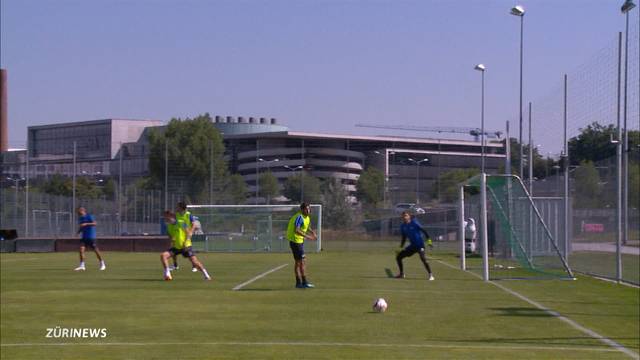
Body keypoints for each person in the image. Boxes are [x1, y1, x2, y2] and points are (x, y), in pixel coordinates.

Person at [161, 210, 211, 281]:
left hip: (186, 246)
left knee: (194, 262)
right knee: (163, 255)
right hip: (177, 247)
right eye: (164, 218)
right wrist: (172, 240)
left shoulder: (182, 223)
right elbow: (171, 236)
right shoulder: (169, 226)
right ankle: (168, 274)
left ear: (171, 216)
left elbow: (188, 233)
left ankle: (206, 275)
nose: (165, 219)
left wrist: (185, 243)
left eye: (166, 217)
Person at [395, 211, 434, 280]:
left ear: (409, 216)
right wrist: (401, 247)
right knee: (399, 257)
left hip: (420, 245)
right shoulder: (402, 226)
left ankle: (431, 275)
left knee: (423, 259)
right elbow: (404, 238)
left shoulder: (414, 223)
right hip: (412, 246)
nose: (404, 217)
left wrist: (429, 242)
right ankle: (401, 274)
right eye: (403, 216)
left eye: (406, 215)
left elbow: (424, 231)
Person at [286, 203, 317, 288]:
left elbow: (306, 226)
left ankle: (299, 283)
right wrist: (308, 237)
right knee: (302, 262)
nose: (308, 210)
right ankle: (304, 282)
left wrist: (312, 232)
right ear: (302, 210)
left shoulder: (307, 217)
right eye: (306, 209)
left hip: (299, 241)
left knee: (298, 262)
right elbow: (297, 230)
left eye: (309, 209)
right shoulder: (299, 217)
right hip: (295, 241)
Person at [74, 207, 106, 271]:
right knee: (81, 250)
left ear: (83, 211)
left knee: (96, 251)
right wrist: (78, 232)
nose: (78, 213)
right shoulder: (80, 218)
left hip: (91, 237)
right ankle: (82, 266)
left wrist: (86, 224)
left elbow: (95, 223)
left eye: (79, 212)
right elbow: (81, 227)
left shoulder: (89, 216)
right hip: (84, 237)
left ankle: (102, 264)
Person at [169, 202, 198, 273]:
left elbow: (194, 225)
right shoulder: (176, 215)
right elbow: (174, 223)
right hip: (178, 236)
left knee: (189, 253)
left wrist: (191, 232)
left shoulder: (189, 215)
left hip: (186, 236)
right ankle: (175, 265)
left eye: (178, 207)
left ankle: (194, 266)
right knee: (173, 251)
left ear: (181, 208)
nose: (176, 208)